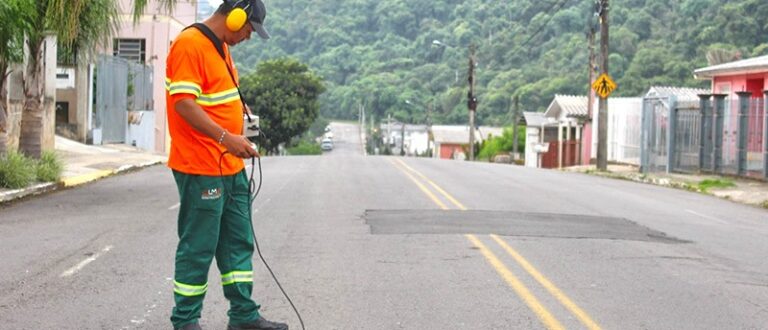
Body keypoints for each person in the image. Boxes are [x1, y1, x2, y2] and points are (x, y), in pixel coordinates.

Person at [165, 1, 287, 329]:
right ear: (236, 16)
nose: (248, 36)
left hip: (229, 166)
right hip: (200, 164)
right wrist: (225, 138)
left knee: (237, 241)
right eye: (249, 28)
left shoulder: (219, 47)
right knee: (199, 245)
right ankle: (186, 321)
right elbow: (184, 104)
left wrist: (242, 124)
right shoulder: (190, 44)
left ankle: (244, 316)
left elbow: (218, 97)